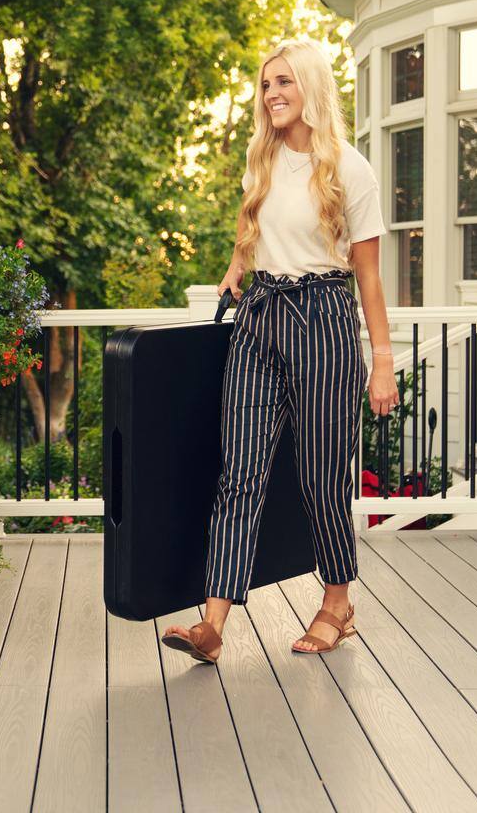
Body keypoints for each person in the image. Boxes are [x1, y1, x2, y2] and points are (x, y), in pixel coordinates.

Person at [161, 38, 399, 661]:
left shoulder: (350, 168)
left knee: (322, 477)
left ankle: (337, 603)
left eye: (284, 83)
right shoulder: (260, 158)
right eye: (266, 85)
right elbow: (254, 226)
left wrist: (381, 359)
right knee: (240, 470)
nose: (271, 96)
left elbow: (369, 275)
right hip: (259, 317)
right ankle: (213, 623)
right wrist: (238, 263)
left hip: (323, 318)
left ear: (311, 87)